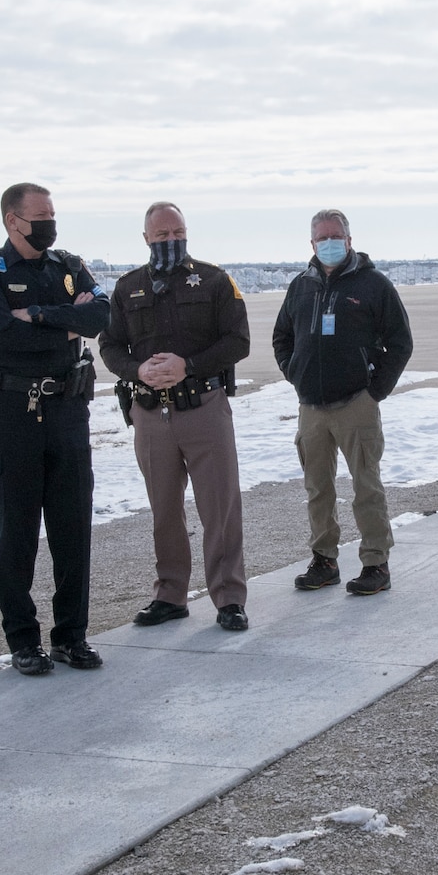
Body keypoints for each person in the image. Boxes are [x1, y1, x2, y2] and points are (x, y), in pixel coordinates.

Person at [0, 183, 111, 675]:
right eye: (41, 215)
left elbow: (102, 314)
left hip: (68, 413)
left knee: (73, 529)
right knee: (18, 533)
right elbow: (1, 332)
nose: (50, 223)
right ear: (13, 220)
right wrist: (69, 324)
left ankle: (72, 637)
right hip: (12, 416)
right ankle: (24, 641)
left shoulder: (67, 265)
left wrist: (43, 315)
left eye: (52, 214)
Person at [100, 202, 252, 632]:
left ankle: (228, 598)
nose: (170, 240)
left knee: (220, 506)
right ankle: (170, 595)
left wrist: (190, 365)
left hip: (203, 407)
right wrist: (138, 371)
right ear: (145, 238)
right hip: (151, 414)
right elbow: (109, 346)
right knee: (164, 509)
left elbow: (238, 341)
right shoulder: (128, 287)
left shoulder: (214, 280)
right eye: (162, 234)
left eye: (177, 232)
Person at [270, 209, 413, 596]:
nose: (329, 243)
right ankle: (324, 560)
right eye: (322, 238)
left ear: (349, 240)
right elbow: (282, 336)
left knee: (366, 485)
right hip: (311, 407)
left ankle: (375, 563)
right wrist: (294, 371)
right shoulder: (300, 285)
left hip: (356, 403)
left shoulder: (373, 285)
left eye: (336, 236)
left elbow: (400, 343)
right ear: (312, 244)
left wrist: (374, 390)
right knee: (318, 488)